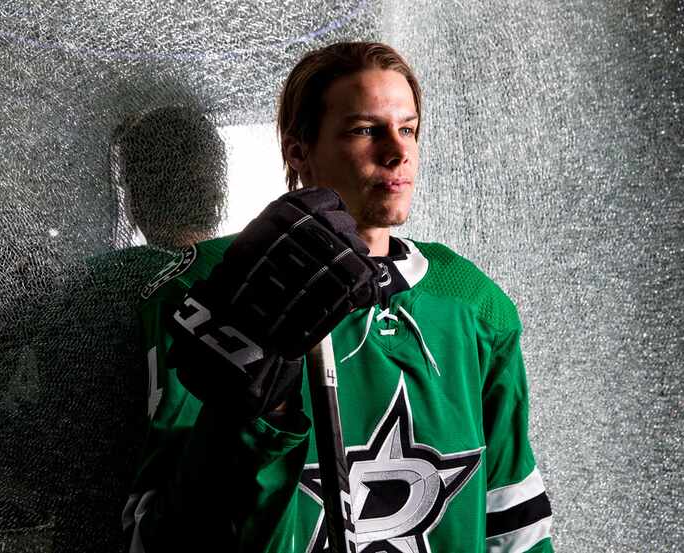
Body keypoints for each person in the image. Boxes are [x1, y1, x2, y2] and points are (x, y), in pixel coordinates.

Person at [122, 41, 554, 553]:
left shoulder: (471, 301)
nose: (398, 151)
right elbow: (157, 538)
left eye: (408, 128)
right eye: (365, 130)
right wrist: (250, 422)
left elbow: (513, 524)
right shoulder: (205, 290)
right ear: (297, 150)